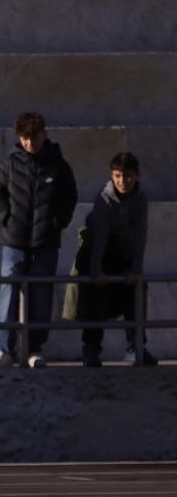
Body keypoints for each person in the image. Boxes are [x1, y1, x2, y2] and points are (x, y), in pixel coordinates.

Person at [0, 112, 77, 368]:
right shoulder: (11, 164)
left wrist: (56, 223)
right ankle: (2, 349)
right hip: (13, 241)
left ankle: (34, 349)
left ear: (44, 134)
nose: (29, 143)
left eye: (34, 137)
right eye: (24, 138)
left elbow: (69, 197)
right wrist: (5, 217)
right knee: (9, 291)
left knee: (41, 294)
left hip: (45, 243)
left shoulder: (58, 166)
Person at [63, 152, 156, 367]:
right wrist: (96, 271)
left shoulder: (140, 199)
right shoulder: (103, 199)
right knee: (95, 298)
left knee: (137, 293)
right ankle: (92, 350)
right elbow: (100, 237)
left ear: (137, 176)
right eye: (117, 176)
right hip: (97, 252)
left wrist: (136, 269)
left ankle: (136, 347)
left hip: (122, 253)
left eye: (128, 176)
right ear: (112, 176)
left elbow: (140, 235)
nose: (123, 182)